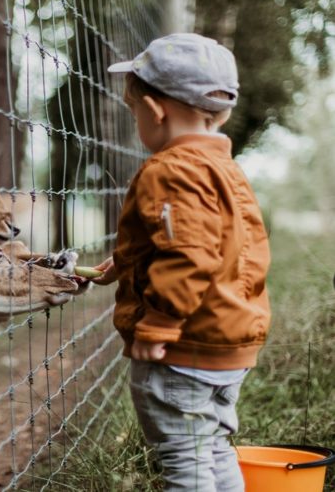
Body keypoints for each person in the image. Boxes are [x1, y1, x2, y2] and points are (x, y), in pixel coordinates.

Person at [91, 33, 271, 491]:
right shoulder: (225, 169)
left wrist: (158, 324)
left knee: (185, 463)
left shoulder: (169, 169)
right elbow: (222, 244)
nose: (137, 122)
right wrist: (124, 264)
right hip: (228, 345)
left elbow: (190, 254)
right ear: (224, 112)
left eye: (134, 112)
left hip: (182, 349)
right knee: (213, 450)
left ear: (154, 111)